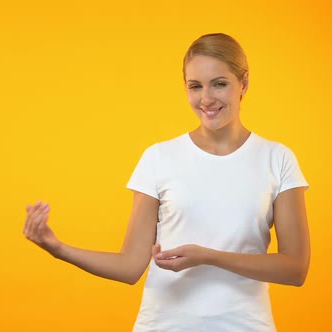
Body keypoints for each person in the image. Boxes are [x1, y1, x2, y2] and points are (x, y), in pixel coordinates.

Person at [22, 33, 310, 332]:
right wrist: (56, 247)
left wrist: (208, 256)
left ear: (244, 84)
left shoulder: (277, 159)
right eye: (195, 86)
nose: (206, 99)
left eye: (219, 83)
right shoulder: (159, 157)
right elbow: (130, 266)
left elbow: (295, 268)